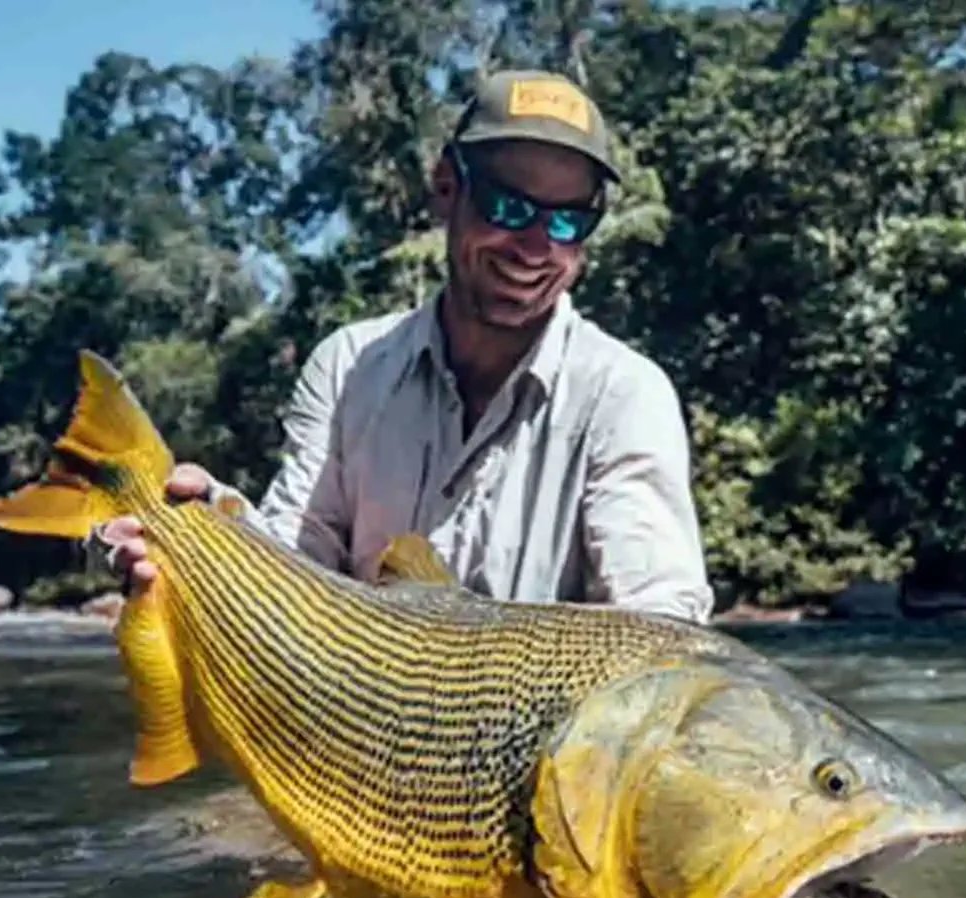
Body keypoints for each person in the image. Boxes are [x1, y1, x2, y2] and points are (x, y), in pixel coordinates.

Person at [88, 70, 714, 622]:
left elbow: (657, 619)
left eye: (568, 221)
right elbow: (295, 564)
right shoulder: (346, 367)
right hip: (358, 732)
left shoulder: (625, 394)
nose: (535, 248)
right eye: (508, 206)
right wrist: (198, 529)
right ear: (447, 188)